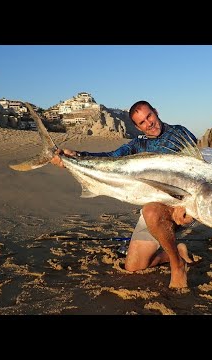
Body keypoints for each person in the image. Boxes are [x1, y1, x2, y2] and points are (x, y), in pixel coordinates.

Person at [50, 100, 197, 288]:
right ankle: (175, 253)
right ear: (137, 127)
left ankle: (178, 266)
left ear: (156, 112)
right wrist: (75, 156)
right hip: (157, 209)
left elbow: (197, 172)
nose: (149, 123)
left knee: (150, 211)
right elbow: (111, 158)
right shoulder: (138, 145)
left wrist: (186, 206)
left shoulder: (180, 134)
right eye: (142, 122)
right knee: (134, 266)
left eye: (149, 116)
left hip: (185, 205)